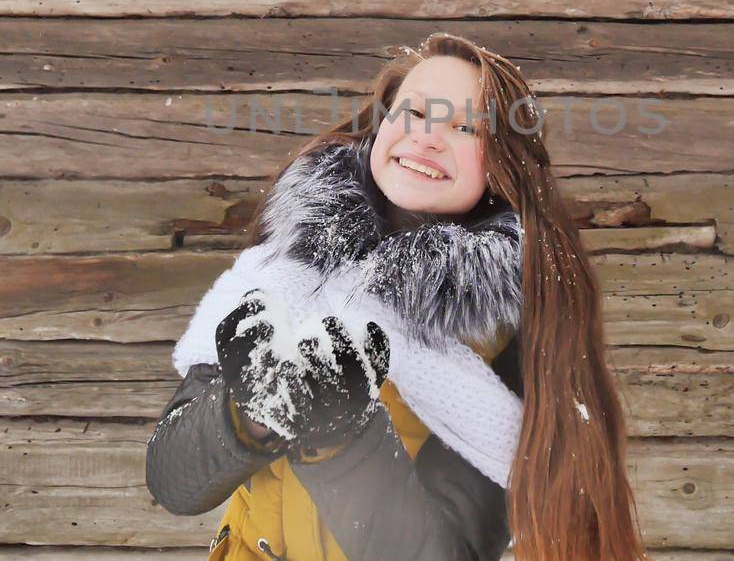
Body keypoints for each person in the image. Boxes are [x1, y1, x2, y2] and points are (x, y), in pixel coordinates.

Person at [144, 33, 649, 560]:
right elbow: (174, 484)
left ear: (504, 164)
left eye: (464, 127)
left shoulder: (511, 332)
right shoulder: (282, 272)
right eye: (413, 112)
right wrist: (249, 414)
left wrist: (340, 432)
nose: (428, 138)